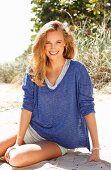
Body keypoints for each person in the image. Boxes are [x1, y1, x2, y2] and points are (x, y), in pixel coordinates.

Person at [0, 20, 101, 168]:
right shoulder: (34, 70)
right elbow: (27, 107)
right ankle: (18, 149)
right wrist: (17, 142)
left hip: (60, 139)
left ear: (65, 43)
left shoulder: (78, 70)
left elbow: (87, 108)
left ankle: (18, 153)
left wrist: (96, 148)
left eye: (58, 42)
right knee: (11, 150)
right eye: (48, 42)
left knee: (16, 159)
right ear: (42, 44)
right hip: (34, 130)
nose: (53, 47)